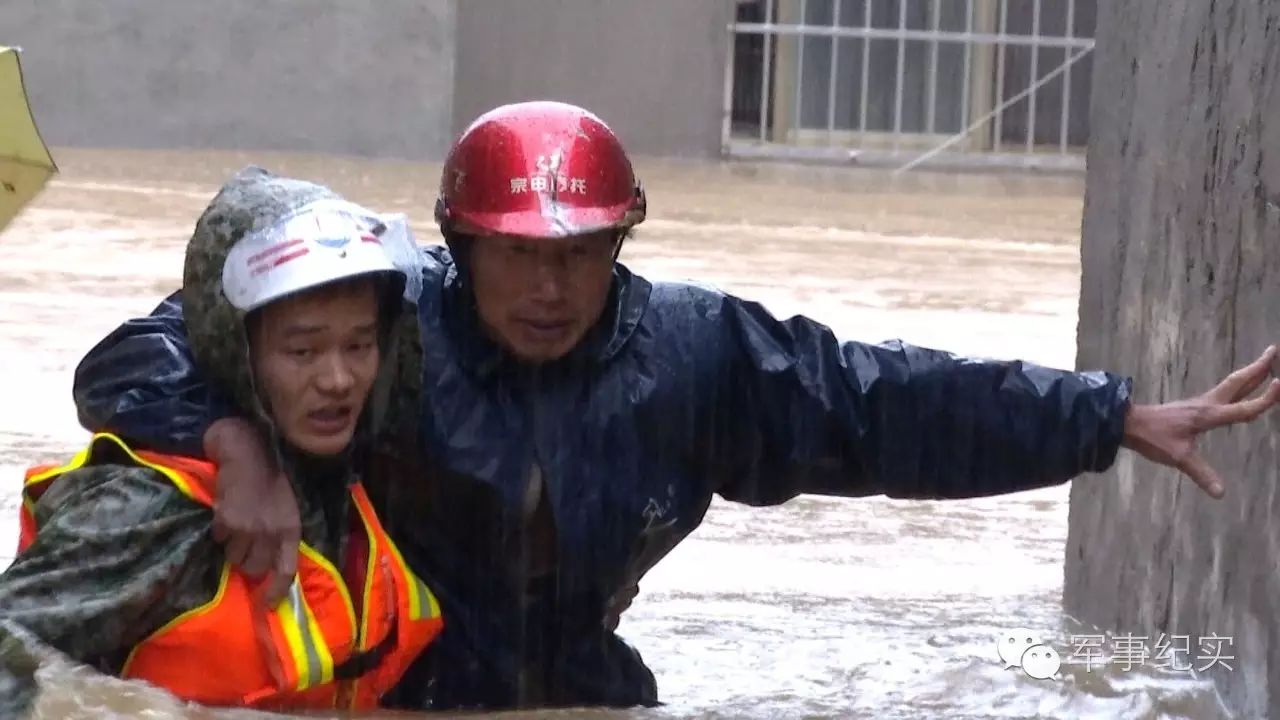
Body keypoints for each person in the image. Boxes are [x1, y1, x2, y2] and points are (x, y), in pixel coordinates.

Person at [70, 101, 1280, 711]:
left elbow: (883, 404)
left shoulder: (692, 357)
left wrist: (1107, 417)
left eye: (581, 254)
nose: (551, 288)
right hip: (394, 692)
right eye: (518, 256)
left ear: (622, 243)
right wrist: (236, 443)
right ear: (457, 243)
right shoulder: (382, 319)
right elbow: (139, 353)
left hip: (589, 687)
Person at [0, 167, 443, 716]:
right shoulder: (152, 510)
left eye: (359, 346)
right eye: (302, 352)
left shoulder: (359, 473)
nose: (338, 380)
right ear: (238, 353)